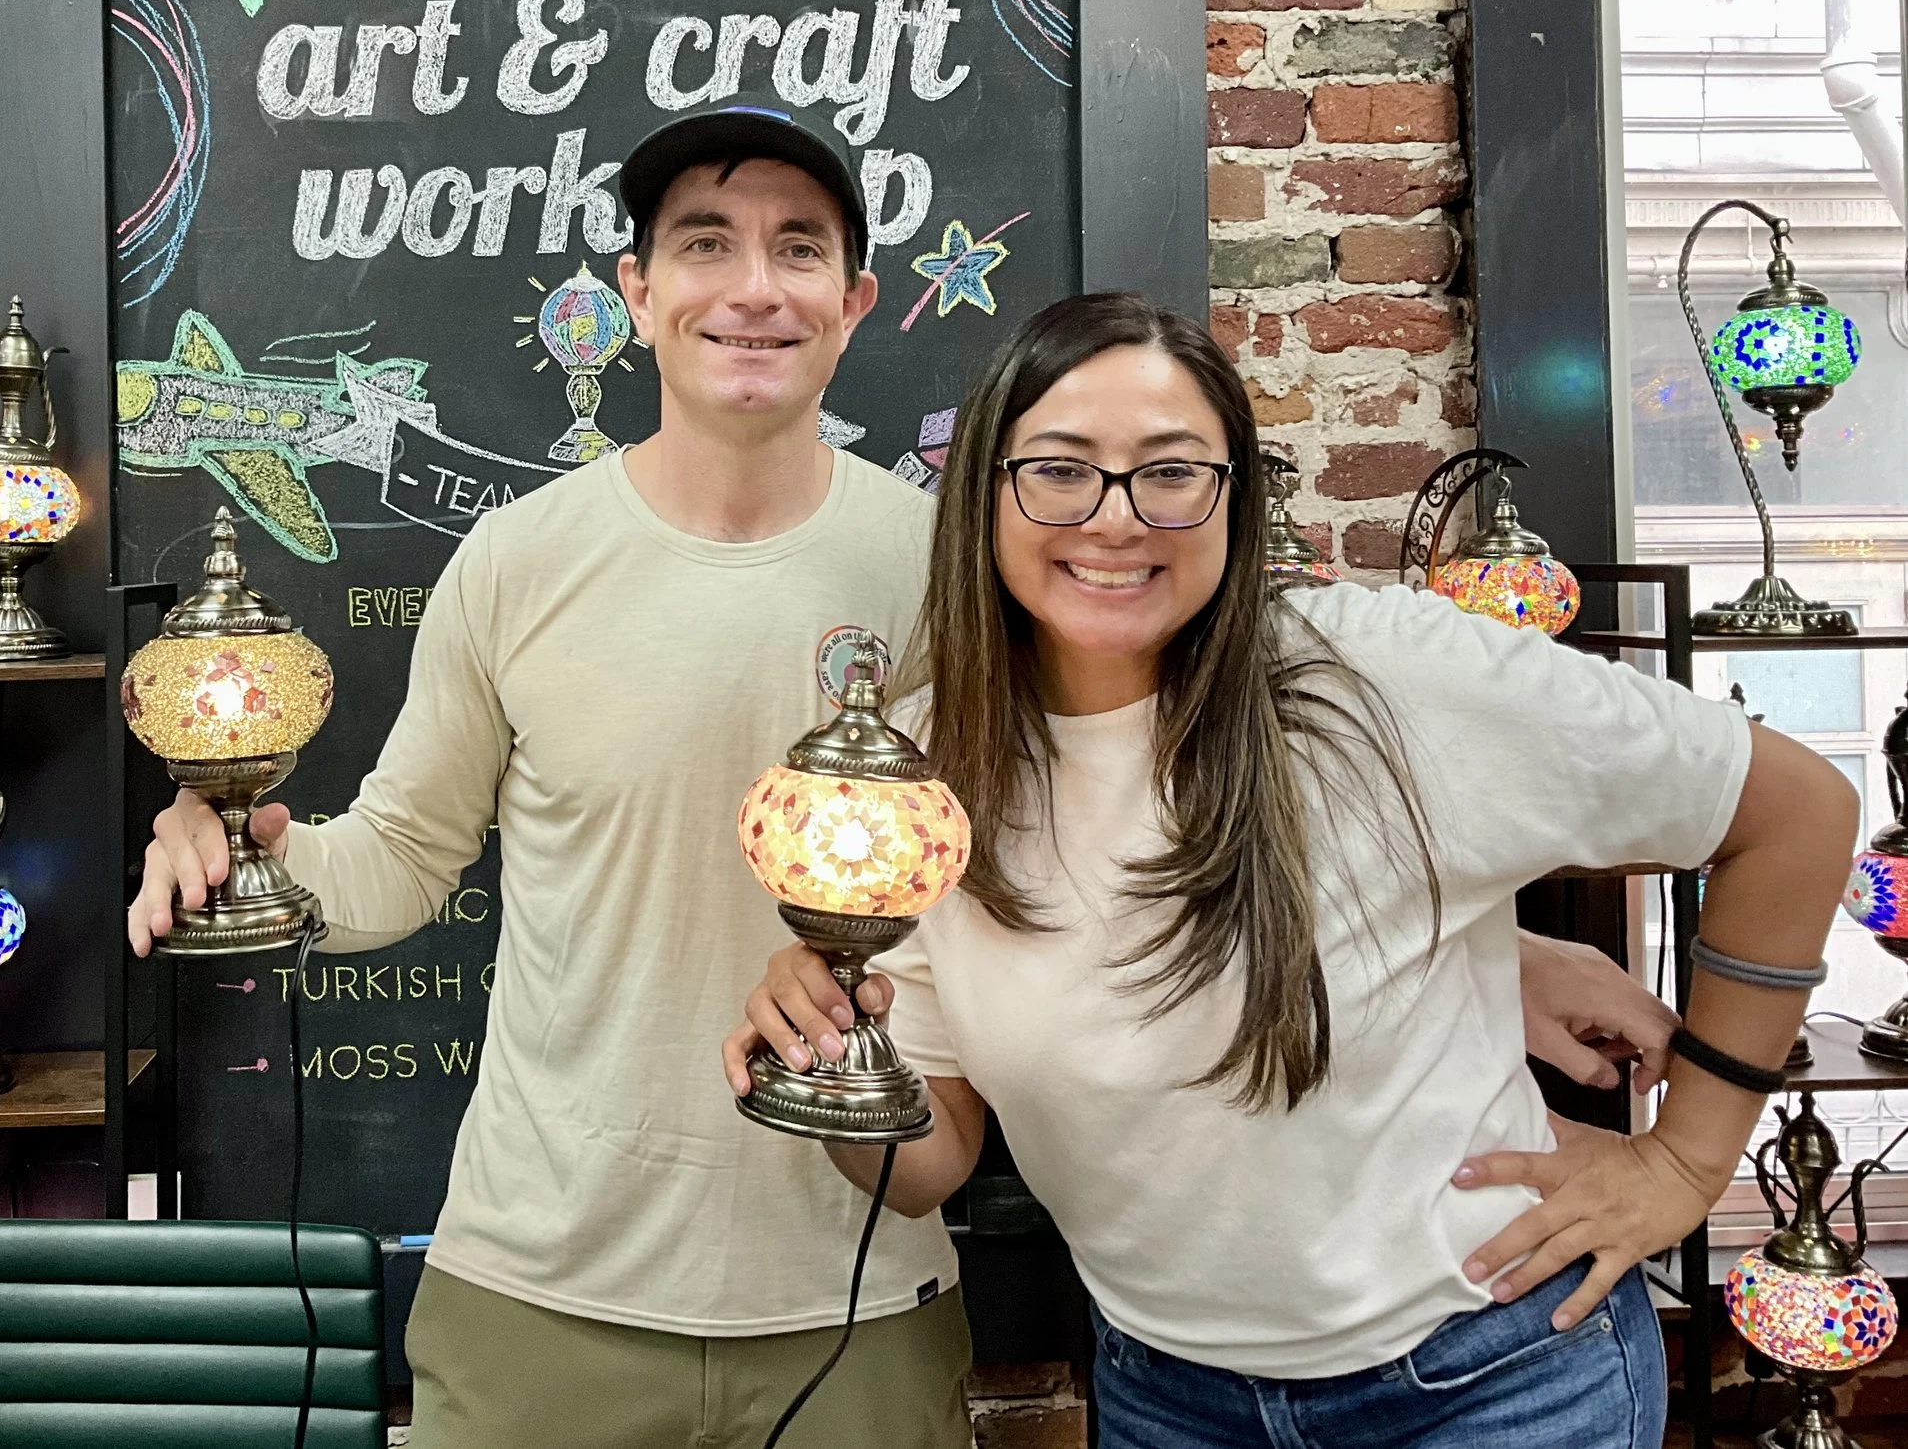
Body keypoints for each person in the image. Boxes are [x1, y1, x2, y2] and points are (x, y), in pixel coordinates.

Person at [130, 115, 1688, 1449]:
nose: (754, 284)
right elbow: (400, 854)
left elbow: (1134, 805)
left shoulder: (981, 563)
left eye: (800, 246)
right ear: (632, 292)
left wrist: (1485, 938)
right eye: (703, 244)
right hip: (543, 1276)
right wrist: (236, 849)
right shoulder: (518, 558)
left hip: (868, 1276)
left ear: (859, 297)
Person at [727, 293, 1856, 1449]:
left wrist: (1684, 1161)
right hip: (1169, 1395)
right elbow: (929, 1169)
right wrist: (828, 1059)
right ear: (985, 494)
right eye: (1059, 469)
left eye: (1171, 473)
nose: (1115, 520)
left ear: (1233, 498)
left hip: (1492, 1375)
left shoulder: (1379, 677)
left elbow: (1797, 814)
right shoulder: (918, 785)